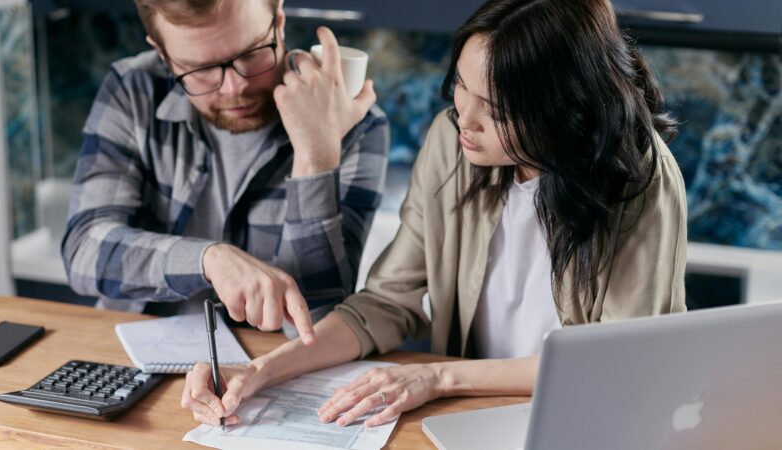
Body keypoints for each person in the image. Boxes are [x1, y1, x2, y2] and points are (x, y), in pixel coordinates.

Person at [181, 0, 688, 428]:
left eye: (497, 110)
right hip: (471, 415)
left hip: (584, 420)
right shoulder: (453, 143)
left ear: (564, 109)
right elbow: (385, 302)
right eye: (462, 85)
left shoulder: (641, 179)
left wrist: (438, 377)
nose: (463, 117)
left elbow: (617, 362)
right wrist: (262, 369)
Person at [61, 0, 390, 342]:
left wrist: (314, 158)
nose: (235, 88)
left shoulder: (354, 121)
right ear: (162, 54)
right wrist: (209, 260)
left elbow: (318, 324)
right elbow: (83, 251)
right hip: (131, 350)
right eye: (198, 69)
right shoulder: (134, 89)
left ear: (278, 21)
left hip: (273, 367)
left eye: (250, 54)